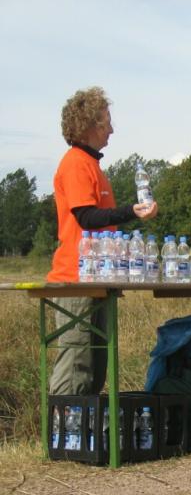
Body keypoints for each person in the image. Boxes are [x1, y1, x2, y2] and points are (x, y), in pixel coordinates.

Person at [47, 86, 158, 396]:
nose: (112, 129)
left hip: (96, 278)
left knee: (95, 366)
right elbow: (86, 216)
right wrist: (131, 212)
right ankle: (64, 425)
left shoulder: (92, 165)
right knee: (76, 364)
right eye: (107, 122)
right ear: (89, 125)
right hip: (75, 279)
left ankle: (86, 425)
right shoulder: (75, 163)